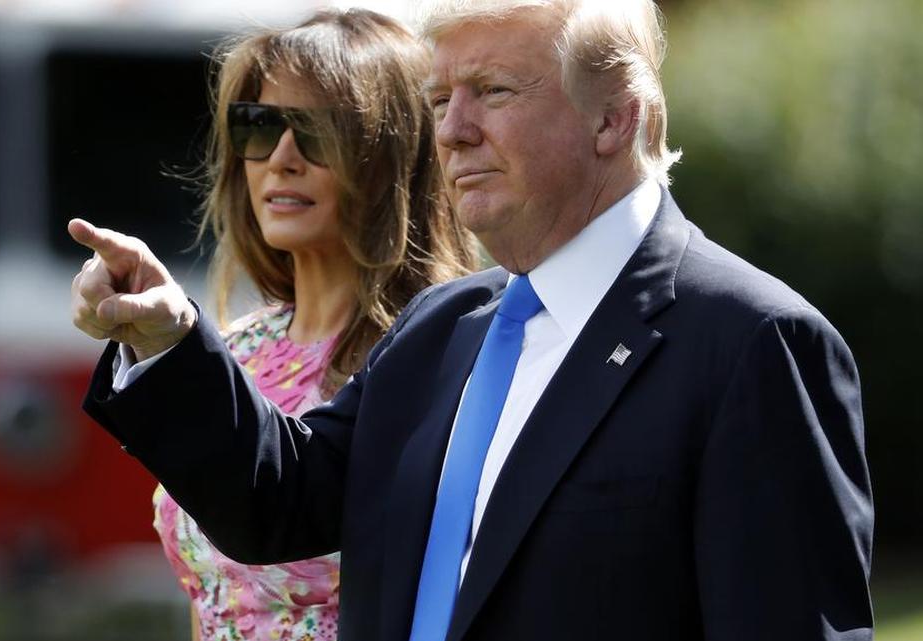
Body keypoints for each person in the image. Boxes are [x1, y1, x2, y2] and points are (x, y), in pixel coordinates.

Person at [74, 0, 874, 640]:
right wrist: (169, 336)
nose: (451, 131)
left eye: (491, 91)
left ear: (613, 119)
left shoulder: (751, 342)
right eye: (438, 100)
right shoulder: (442, 325)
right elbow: (280, 500)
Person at [69, 9, 476, 641]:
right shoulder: (233, 349)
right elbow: (212, 595)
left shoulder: (446, 358)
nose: (281, 157)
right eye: (258, 125)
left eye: (318, 131)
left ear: (395, 155)